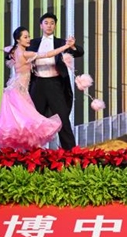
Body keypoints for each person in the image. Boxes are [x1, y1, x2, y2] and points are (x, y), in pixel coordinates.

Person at [0, 28, 75, 150]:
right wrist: (65, 46)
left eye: (28, 36)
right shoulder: (25, 54)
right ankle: (25, 153)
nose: (28, 39)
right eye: (25, 37)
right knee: (28, 122)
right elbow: (48, 54)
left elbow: (8, 50)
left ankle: (23, 153)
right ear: (18, 39)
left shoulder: (14, 51)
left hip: (14, 89)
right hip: (19, 91)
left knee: (20, 123)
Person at [27, 12, 84, 150]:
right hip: (37, 84)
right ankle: (30, 154)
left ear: (55, 26)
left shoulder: (61, 43)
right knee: (33, 121)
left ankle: (71, 154)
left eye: (52, 23)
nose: (49, 26)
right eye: (46, 23)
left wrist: (72, 46)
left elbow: (79, 52)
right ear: (41, 25)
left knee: (63, 119)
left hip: (55, 84)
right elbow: (17, 54)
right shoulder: (33, 43)